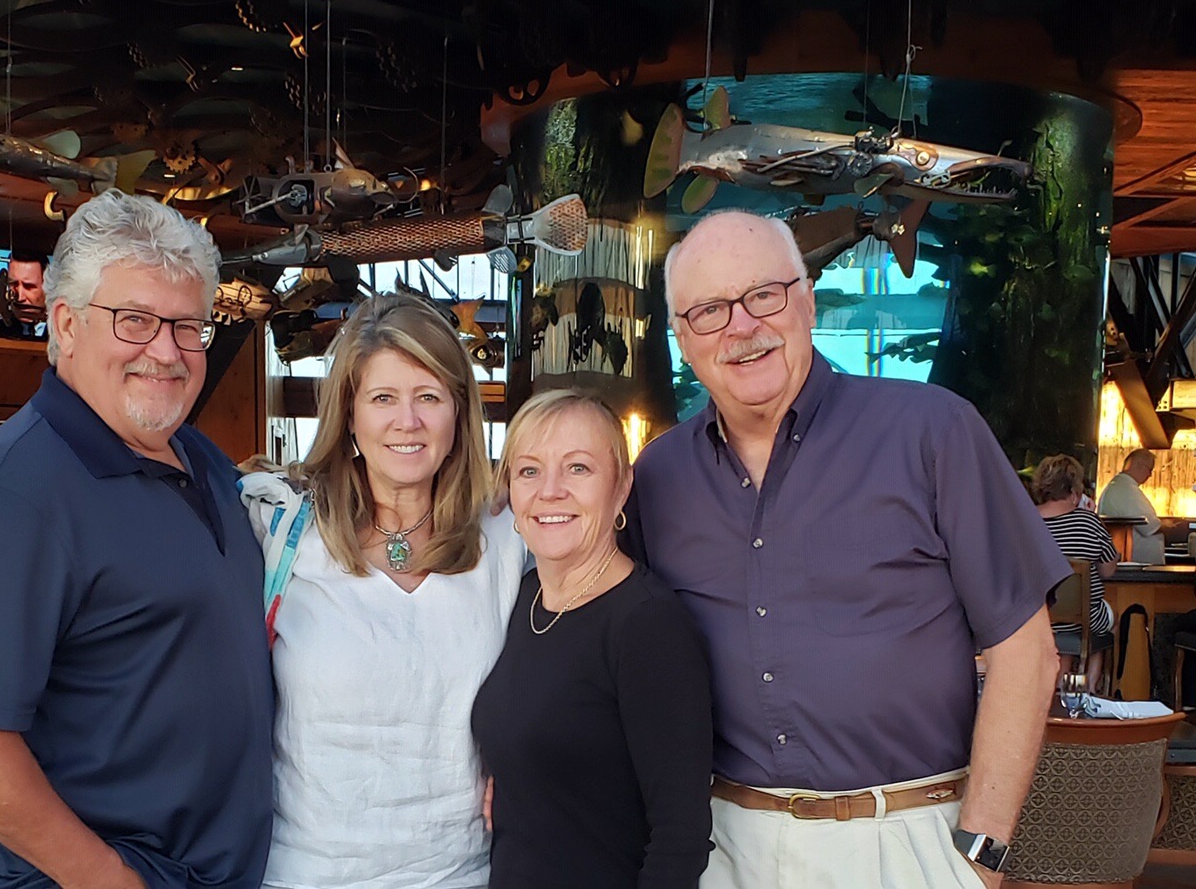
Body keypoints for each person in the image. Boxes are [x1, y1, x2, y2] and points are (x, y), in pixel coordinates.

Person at [624, 210, 1064, 889]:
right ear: (683, 339)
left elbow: (1026, 654)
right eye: (709, 310)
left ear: (806, 299)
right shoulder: (657, 476)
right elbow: (609, 647)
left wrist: (979, 857)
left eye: (763, 294)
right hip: (724, 847)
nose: (741, 327)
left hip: (904, 843)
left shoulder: (932, 432)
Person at [0, 189, 274, 888]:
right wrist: (108, 879)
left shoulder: (200, 458)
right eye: (135, 320)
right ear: (67, 323)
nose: (166, 352)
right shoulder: (12, 493)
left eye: (187, 325)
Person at [243, 292, 526, 888]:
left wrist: (531, 763)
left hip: (459, 874)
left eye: (429, 396)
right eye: (383, 398)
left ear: (459, 412)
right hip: (309, 874)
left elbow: (568, 671)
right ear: (349, 415)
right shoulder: (280, 529)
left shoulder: (507, 537)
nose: (408, 421)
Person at [472, 390, 713, 888]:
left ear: (621, 487)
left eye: (578, 468)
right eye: (529, 470)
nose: (550, 491)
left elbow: (680, 836)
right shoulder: (523, 598)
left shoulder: (647, 625)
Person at [1031, 454, 1118, 693]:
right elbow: (1108, 570)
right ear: (1074, 489)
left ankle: (1061, 685)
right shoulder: (1089, 522)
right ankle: (1090, 689)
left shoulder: (1024, 521)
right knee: (1109, 622)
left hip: (1034, 615)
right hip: (1084, 617)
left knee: (1064, 627)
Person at [1098, 448, 1165, 565]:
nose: (1150, 475)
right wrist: (1167, 526)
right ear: (1138, 464)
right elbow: (1149, 526)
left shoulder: (1119, 486)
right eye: (1149, 469)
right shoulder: (1126, 490)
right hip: (1136, 565)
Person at [0, 250, 48, 338]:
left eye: (29, 286)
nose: (20, 297)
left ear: (47, 287)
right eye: (13, 284)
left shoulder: (62, 332)